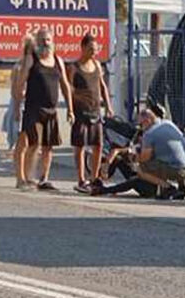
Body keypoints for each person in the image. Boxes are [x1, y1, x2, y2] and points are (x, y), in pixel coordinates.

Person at [12, 27, 74, 191]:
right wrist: (17, 108)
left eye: (47, 40)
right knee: (29, 143)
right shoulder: (31, 59)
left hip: (51, 110)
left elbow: (65, 85)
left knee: (48, 146)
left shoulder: (57, 60)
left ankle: (43, 179)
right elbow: (20, 84)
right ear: (36, 42)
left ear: (52, 41)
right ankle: (22, 178)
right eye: (41, 40)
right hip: (33, 109)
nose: (44, 43)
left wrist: (70, 109)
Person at [69, 34, 114, 193]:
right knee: (80, 146)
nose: (93, 53)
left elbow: (102, 87)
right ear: (82, 47)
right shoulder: (74, 67)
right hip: (80, 112)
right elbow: (69, 89)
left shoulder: (96, 65)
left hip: (96, 111)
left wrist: (108, 105)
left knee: (98, 145)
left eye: (95, 50)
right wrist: (70, 108)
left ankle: (95, 178)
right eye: (90, 49)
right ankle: (81, 179)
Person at [134, 104, 185, 200]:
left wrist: (134, 157)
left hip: (178, 171)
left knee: (141, 168)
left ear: (147, 121)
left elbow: (145, 158)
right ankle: (181, 187)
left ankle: (169, 188)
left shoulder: (149, 134)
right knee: (170, 158)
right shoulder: (169, 124)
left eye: (140, 124)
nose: (140, 128)